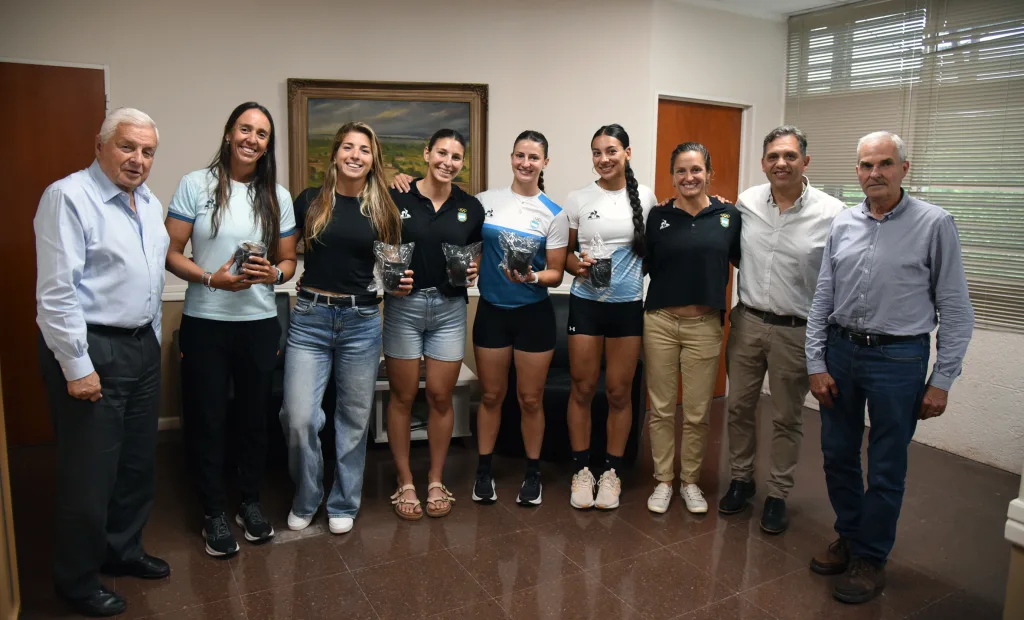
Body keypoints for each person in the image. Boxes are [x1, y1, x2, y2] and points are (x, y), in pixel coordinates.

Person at [805, 131, 974, 604]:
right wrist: (815, 360)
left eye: (883, 164)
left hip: (898, 359)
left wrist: (941, 380)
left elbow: (956, 310)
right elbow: (823, 296)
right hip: (840, 352)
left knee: (885, 464)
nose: (873, 173)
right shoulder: (843, 223)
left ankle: (871, 557)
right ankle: (851, 534)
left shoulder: (935, 224)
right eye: (865, 165)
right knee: (837, 453)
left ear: (904, 167)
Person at [35, 108, 170, 617]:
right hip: (93, 347)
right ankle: (76, 579)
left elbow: (150, 282)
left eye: (148, 151)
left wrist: (152, 340)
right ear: (101, 146)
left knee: (136, 464)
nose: (138, 159)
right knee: (89, 472)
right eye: (128, 147)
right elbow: (56, 294)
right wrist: (77, 365)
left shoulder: (148, 202)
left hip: (140, 346)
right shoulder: (69, 197)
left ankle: (124, 549)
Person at [165, 102, 298, 557]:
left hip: (259, 324)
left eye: (261, 134)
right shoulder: (195, 185)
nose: (252, 139)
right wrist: (209, 278)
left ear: (267, 144)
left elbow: (288, 263)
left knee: (254, 420)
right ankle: (212, 512)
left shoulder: (276, 195)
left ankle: (250, 503)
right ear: (228, 132)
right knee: (207, 419)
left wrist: (273, 277)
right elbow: (171, 252)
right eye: (245, 129)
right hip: (206, 323)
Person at [718, 126, 844, 534]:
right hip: (748, 321)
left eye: (790, 156)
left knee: (787, 416)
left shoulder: (833, 213)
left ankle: (777, 494)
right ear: (763, 163)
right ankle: (741, 480)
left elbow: (839, 278)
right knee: (738, 407)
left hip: (797, 330)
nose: (781, 163)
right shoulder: (747, 202)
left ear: (805, 161)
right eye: (773, 156)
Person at [280, 121, 404, 536]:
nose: (355, 155)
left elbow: (389, 269)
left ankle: (343, 501)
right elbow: (283, 253)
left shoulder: (384, 206)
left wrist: (398, 280)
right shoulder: (310, 201)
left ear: (373, 159)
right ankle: (307, 495)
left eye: (364, 149)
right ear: (334, 154)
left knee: (352, 420)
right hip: (310, 319)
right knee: (299, 417)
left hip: (362, 321)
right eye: (347, 147)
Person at [382, 129, 484, 520]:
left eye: (456, 157)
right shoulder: (397, 195)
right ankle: (405, 481)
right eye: (441, 153)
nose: (447, 162)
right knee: (403, 398)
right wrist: (390, 279)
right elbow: (381, 248)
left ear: (462, 163)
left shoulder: (470, 207)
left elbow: (474, 255)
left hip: (449, 309)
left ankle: (436, 480)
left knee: (441, 397)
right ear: (427, 153)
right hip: (404, 308)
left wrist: (471, 271)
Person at [471, 130, 568, 507]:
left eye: (534, 157)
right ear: (511, 157)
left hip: (534, 316)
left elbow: (556, 273)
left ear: (545, 163)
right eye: (520, 155)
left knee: (530, 399)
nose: (525, 163)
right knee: (492, 395)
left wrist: (532, 276)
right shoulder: (486, 202)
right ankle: (483, 471)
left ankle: (532, 472)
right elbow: (473, 251)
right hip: (492, 313)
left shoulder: (553, 214)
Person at [643, 142, 741, 515]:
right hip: (661, 323)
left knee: (698, 412)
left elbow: (741, 258)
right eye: (681, 171)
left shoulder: (728, 216)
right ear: (672, 176)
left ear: (709, 174)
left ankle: (690, 483)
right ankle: (664, 480)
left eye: (696, 170)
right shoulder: (657, 217)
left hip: (705, 326)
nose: (689, 177)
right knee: (663, 409)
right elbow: (644, 262)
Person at [562, 124, 656, 510]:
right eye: (597, 152)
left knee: (619, 392)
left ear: (627, 153)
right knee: (583, 389)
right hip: (585, 305)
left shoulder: (646, 197)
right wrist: (577, 266)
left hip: (627, 307)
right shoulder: (578, 198)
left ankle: (611, 473)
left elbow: (654, 251)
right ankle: (582, 471)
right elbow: (564, 256)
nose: (604, 159)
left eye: (611, 151)